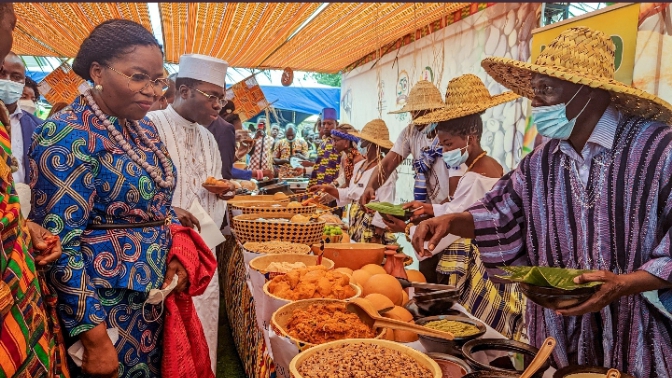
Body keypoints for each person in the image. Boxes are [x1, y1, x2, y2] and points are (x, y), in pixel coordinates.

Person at [413, 27, 672, 376]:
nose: (535, 103)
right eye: (533, 92)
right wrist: (451, 221)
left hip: (633, 328)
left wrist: (626, 283)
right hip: (557, 327)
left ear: (592, 93)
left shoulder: (658, 150)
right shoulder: (542, 158)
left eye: (546, 91)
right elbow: (501, 210)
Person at [30, 19, 188, 378]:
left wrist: (176, 245)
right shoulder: (67, 133)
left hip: (149, 298)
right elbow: (59, 244)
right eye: (138, 77)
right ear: (98, 72)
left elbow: (158, 202)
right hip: (103, 308)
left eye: (158, 79)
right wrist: (95, 339)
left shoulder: (141, 127)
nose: (151, 91)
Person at [385, 74, 524, 340]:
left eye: (448, 145)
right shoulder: (486, 165)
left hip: (478, 266)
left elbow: (455, 225)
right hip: (490, 259)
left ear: (470, 139)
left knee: (473, 330)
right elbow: (460, 208)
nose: (445, 150)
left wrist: (408, 228)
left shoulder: (474, 176)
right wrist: (429, 209)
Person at [147, 54, 235, 372]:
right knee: (166, 340)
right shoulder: (151, 127)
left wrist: (221, 192)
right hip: (162, 255)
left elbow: (208, 194)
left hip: (200, 251)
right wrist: (169, 211)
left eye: (221, 99)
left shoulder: (209, 139)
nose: (218, 106)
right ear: (184, 90)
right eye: (213, 96)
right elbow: (137, 194)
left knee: (203, 327)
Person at [0, 3, 67, 377]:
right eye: (10, 25)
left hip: (22, 252)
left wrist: (25, 225)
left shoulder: (19, 121)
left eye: (15, 75)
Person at [359, 80, 461, 281]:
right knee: (427, 270)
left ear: (435, 110)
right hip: (425, 213)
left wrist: (442, 211)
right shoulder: (410, 132)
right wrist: (370, 186)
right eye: (414, 113)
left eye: (422, 113)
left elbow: (459, 186)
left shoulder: (450, 135)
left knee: (449, 276)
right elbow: (387, 165)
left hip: (451, 214)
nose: (417, 118)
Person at [311, 120, 398, 244]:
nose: (359, 143)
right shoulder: (360, 165)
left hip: (371, 229)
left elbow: (385, 205)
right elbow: (351, 193)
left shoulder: (385, 171)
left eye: (363, 140)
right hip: (356, 225)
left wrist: (377, 235)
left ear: (371, 144)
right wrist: (331, 190)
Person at [0, 51, 42, 185]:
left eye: (16, 76)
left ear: (23, 82)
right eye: (2, 74)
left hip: (22, 202)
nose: (8, 80)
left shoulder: (38, 127)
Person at [307, 107, 341, 187]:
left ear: (337, 124)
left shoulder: (339, 142)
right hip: (319, 186)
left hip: (332, 188)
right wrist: (304, 170)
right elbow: (320, 166)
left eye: (329, 124)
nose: (326, 126)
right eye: (324, 123)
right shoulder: (323, 142)